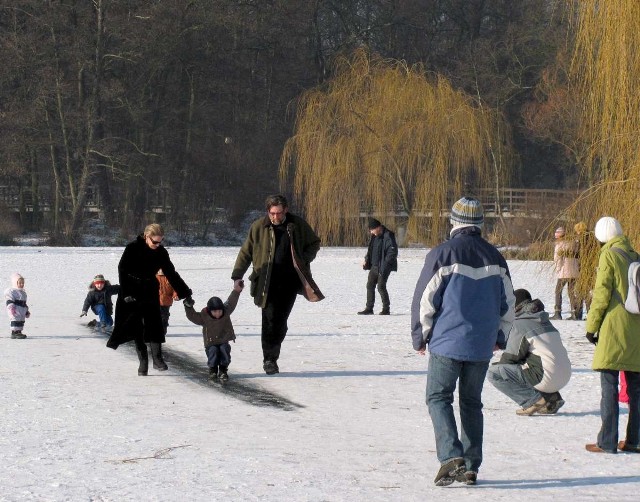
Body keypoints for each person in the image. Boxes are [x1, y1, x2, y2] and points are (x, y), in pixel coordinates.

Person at [411, 196, 515, 487]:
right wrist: (500, 337)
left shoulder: (442, 254)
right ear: (480, 223)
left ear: (454, 222)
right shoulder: (496, 257)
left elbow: (425, 300)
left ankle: (450, 457)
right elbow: (507, 303)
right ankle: (470, 467)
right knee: (471, 403)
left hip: (447, 341)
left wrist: (420, 336)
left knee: (438, 397)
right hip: (481, 344)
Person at [231, 194, 323, 375]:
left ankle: (273, 349)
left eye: (279, 213)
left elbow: (314, 243)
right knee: (269, 320)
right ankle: (269, 359)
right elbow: (246, 252)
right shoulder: (259, 227)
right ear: (268, 211)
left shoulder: (296, 225)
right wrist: (237, 275)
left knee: (280, 321)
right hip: (266, 283)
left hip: (289, 282)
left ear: (286, 210)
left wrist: (303, 259)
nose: (275, 217)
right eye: (272, 213)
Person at [585, 216, 640, 454]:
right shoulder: (635, 255)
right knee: (636, 389)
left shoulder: (609, 255)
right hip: (636, 328)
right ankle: (635, 440)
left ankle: (607, 441)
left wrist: (591, 327)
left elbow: (602, 294)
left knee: (609, 385)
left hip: (614, 327)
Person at [107, 223, 193, 376]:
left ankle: (158, 358)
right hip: (131, 291)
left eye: (160, 241)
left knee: (155, 324)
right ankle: (143, 361)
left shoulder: (161, 252)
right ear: (146, 237)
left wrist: (184, 291)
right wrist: (126, 292)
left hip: (150, 289)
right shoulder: (132, 248)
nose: (157, 244)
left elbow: (171, 273)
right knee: (137, 327)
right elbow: (122, 270)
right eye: (155, 242)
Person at [487, 288, 571, 416]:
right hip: (564, 374)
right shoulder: (545, 321)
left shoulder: (520, 324)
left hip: (545, 377)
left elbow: (512, 357)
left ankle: (533, 401)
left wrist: (500, 367)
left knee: (494, 373)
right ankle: (553, 399)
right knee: (532, 362)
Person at [184, 281, 244, 382]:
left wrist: (237, 291)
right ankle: (212, 370)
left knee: (224, 350)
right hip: (210, 342)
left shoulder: (226, 312)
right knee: (213, 352)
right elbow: (193, 316)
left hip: (223, 340)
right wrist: (188, 306)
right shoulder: (204, 317)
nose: (218, 314)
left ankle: (223, 370)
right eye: (215, 311)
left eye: (219, 311)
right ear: (210, 311)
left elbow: (231, 301)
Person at [357, 218, 398, 315]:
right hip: (374, 266)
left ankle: (386, 309)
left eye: (372, 230)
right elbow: (370, 250)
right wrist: (366, 259)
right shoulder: (374, 236)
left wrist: (385, 265)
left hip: (384, 267)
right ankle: (369, 308)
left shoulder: (388, 235)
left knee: (381, 287)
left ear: (378, 228)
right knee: (370, 285)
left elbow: (392, 252)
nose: (371, 232)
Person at [551, 226, 580, 320]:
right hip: (575, 272)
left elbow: (558, 260)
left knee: (558, 291)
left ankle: (557, 313)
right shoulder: (575, 244)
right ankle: (574, 313)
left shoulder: (559, 245)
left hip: (564, 272)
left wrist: (558, 269)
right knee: (571, 292)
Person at [574, 221, 599, 320]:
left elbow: (581, 254)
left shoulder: (583, 239)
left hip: (584, 268)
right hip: (591, 268)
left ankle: (578, 314)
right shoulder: (593, 238)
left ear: (579, 230)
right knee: (589, 291)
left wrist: (568, 254)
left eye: (577, 231)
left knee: (581, 291)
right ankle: (590, 313)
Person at [5, 272, 30, 339]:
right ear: (15, 283)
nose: (22, 284)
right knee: (15, 320)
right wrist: (11, 307)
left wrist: (26, 311)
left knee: (21, 321)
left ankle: (19, 332)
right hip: (15, 309)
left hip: (22, 310)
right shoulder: (12, 291)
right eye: (20, 283)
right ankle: (14, 333)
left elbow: (24, 303)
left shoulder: (23, 293)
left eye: (23, 283)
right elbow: (9, 300)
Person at [157, 269, 178, 335]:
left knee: (164, 317)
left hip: (166, 302)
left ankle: (163, 332)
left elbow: (175, 288)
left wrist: (175, 295)